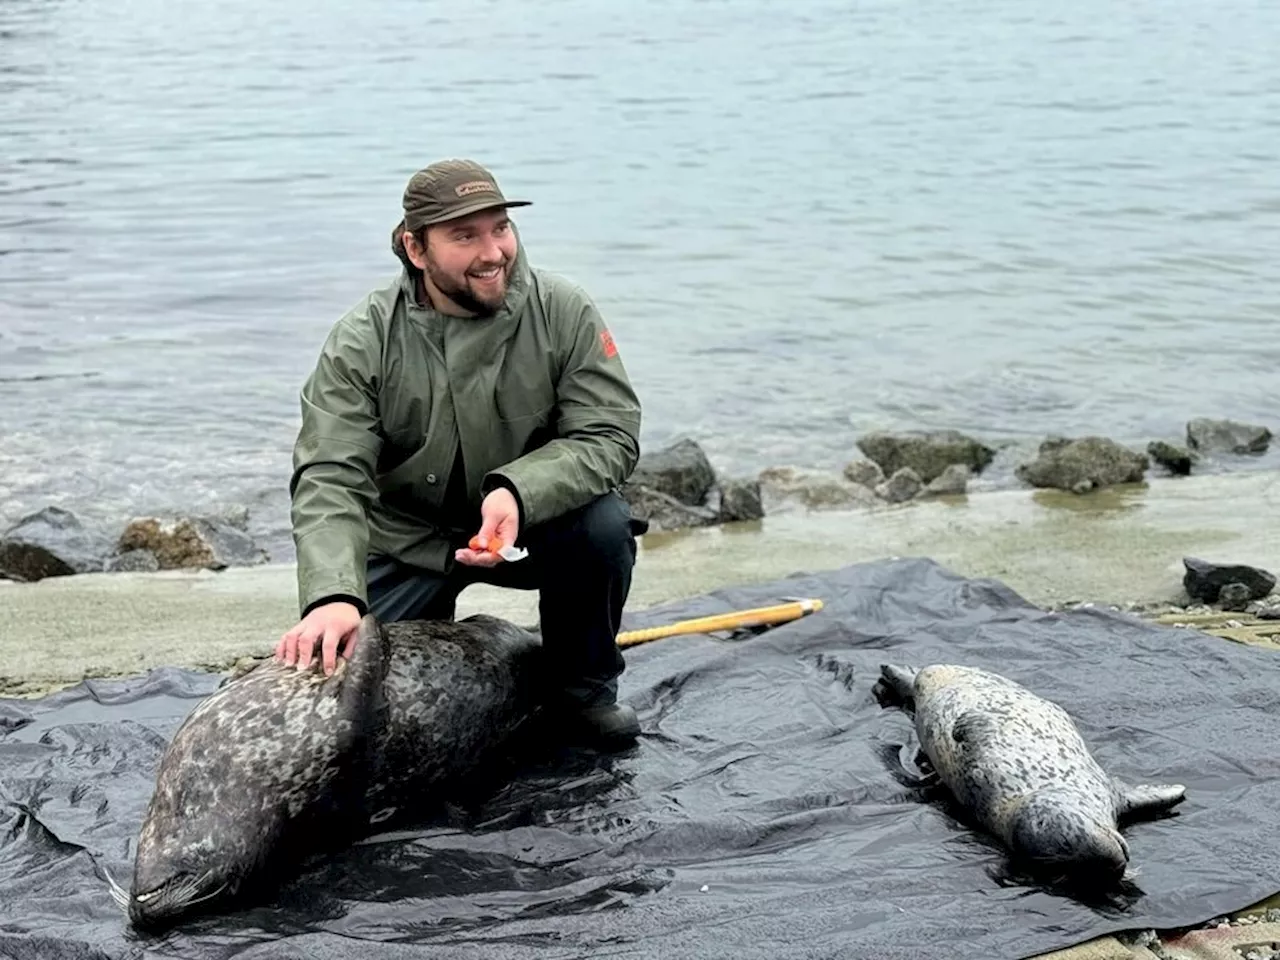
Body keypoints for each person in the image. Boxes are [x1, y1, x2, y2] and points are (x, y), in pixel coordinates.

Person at [273, 158, 645, 746]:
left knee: (603, 526)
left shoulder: (564, 309)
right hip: (405, 541)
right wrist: (333, 596)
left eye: (500, 227)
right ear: (415, 249)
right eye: (464, 235)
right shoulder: (361, 340)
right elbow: (329, 477)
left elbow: (609, 435)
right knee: (347, 713)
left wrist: (519, 491)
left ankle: (582, 692)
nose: (493, 251)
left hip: (531, 530)